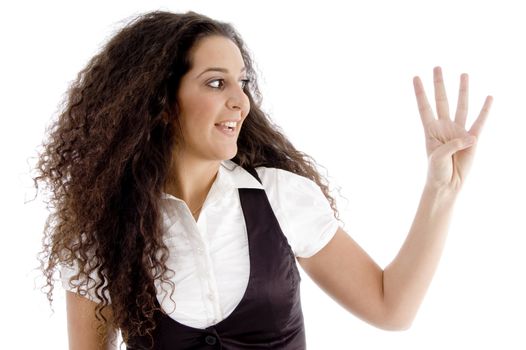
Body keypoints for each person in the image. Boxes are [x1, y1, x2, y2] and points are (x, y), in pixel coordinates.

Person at [33, 10, 493, 350]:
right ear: (161, 101)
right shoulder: (104, 233)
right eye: (217, 83)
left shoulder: (280, 197)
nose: (241, 102)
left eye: (242, 82)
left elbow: (392, 308)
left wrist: (442, 190)